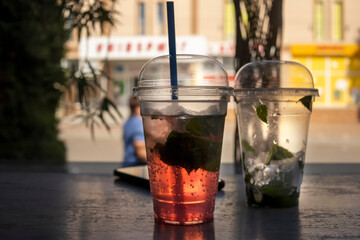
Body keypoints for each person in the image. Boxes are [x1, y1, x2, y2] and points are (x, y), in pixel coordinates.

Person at [122, 96, 147, 167]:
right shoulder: (138, 123)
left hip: (127, 165)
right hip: (136, 167)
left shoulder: (128, 122)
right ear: (137, 108)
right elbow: (140, 152)